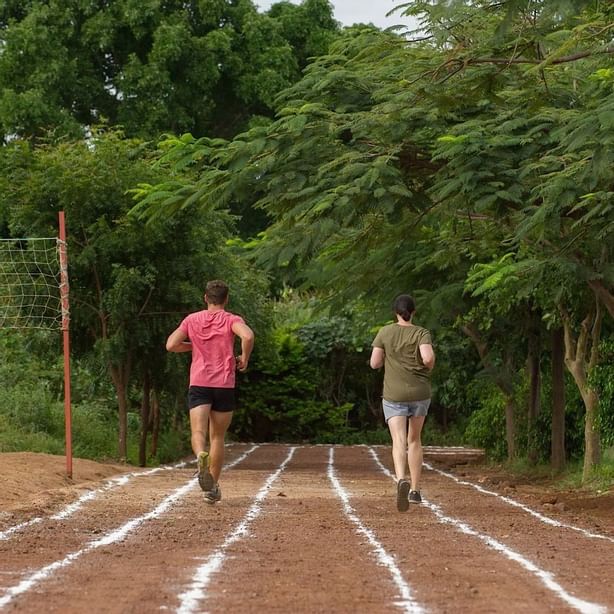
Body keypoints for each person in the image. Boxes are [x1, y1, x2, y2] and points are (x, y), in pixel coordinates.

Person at [166, 280, 254, 504]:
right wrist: (244, 357)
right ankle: (211, 488)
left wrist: (192, 346)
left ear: (206, 298)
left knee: (199, 433)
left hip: (199, 383)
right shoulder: (232, 319)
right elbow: (248, 336)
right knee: (218, 436)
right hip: (224, 384)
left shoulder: (192, 320)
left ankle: (199, 456)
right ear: (226, 299)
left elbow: (171, 345)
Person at [370, 294, 435, 512]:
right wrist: (429, 365)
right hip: (419, 392)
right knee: (414, 440)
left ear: (395, 312)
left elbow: (374, 363)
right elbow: (427, 358)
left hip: (394, 394)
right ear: (413, 311)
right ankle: (415, 490)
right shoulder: (421, 332)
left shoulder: (385, 332)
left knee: (398, 440)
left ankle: (401, 480)